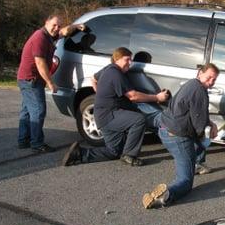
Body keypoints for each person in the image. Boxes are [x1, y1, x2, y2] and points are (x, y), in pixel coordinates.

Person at [61, 47, 170, 167]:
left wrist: (101, 96)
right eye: (127, 59)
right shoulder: (115, 73)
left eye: (131, 60)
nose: (130, 63)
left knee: (114, 152)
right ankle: (129, 155)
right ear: (117, 59)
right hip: (110, 115)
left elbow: (93, 78)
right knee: (138, 120)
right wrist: (157, 98)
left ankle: (79, 154)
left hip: (103, 116)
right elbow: (133, 96)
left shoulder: (108, 69)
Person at [142, 63, 220, 209]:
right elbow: (199, 122)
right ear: (200, 73)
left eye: (214, 80)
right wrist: (206, 133)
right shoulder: (200, 91)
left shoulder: (190, 84)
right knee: (185, 181)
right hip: (177, 137)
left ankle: (195, 163)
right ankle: (165, 195)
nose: (211, 82)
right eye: (209, 77)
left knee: (197, 144)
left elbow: (192, 111)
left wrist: (210, 124)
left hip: (165, 128)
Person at [17, 14, 85, 153]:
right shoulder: (39, 38)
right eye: (54, 24)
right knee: (38, 110)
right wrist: (50, 82)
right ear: (46, 22)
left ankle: (23, 140)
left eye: (58, 25)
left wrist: (76, 26)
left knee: (27, 111)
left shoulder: (48, 35)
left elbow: (62, 32)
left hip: (27, 79)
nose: (56, 28)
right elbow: (40, 63)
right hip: (31, 80)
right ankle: (37, 143)